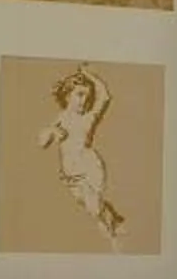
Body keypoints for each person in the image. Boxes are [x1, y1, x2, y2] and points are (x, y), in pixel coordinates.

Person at [38, 65, 124, 243]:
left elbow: (105, 96)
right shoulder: (61, 118)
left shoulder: (89, 117)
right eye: (79, 94)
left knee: (94, 208)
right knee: (92, 208)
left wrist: (89, 75)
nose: (84, 100)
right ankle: (113, 220)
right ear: (67, 95)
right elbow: (42, 142)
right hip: (70, 175)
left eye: (87, 95)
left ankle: (112, 236)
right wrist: (52, 131)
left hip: (90, 167)